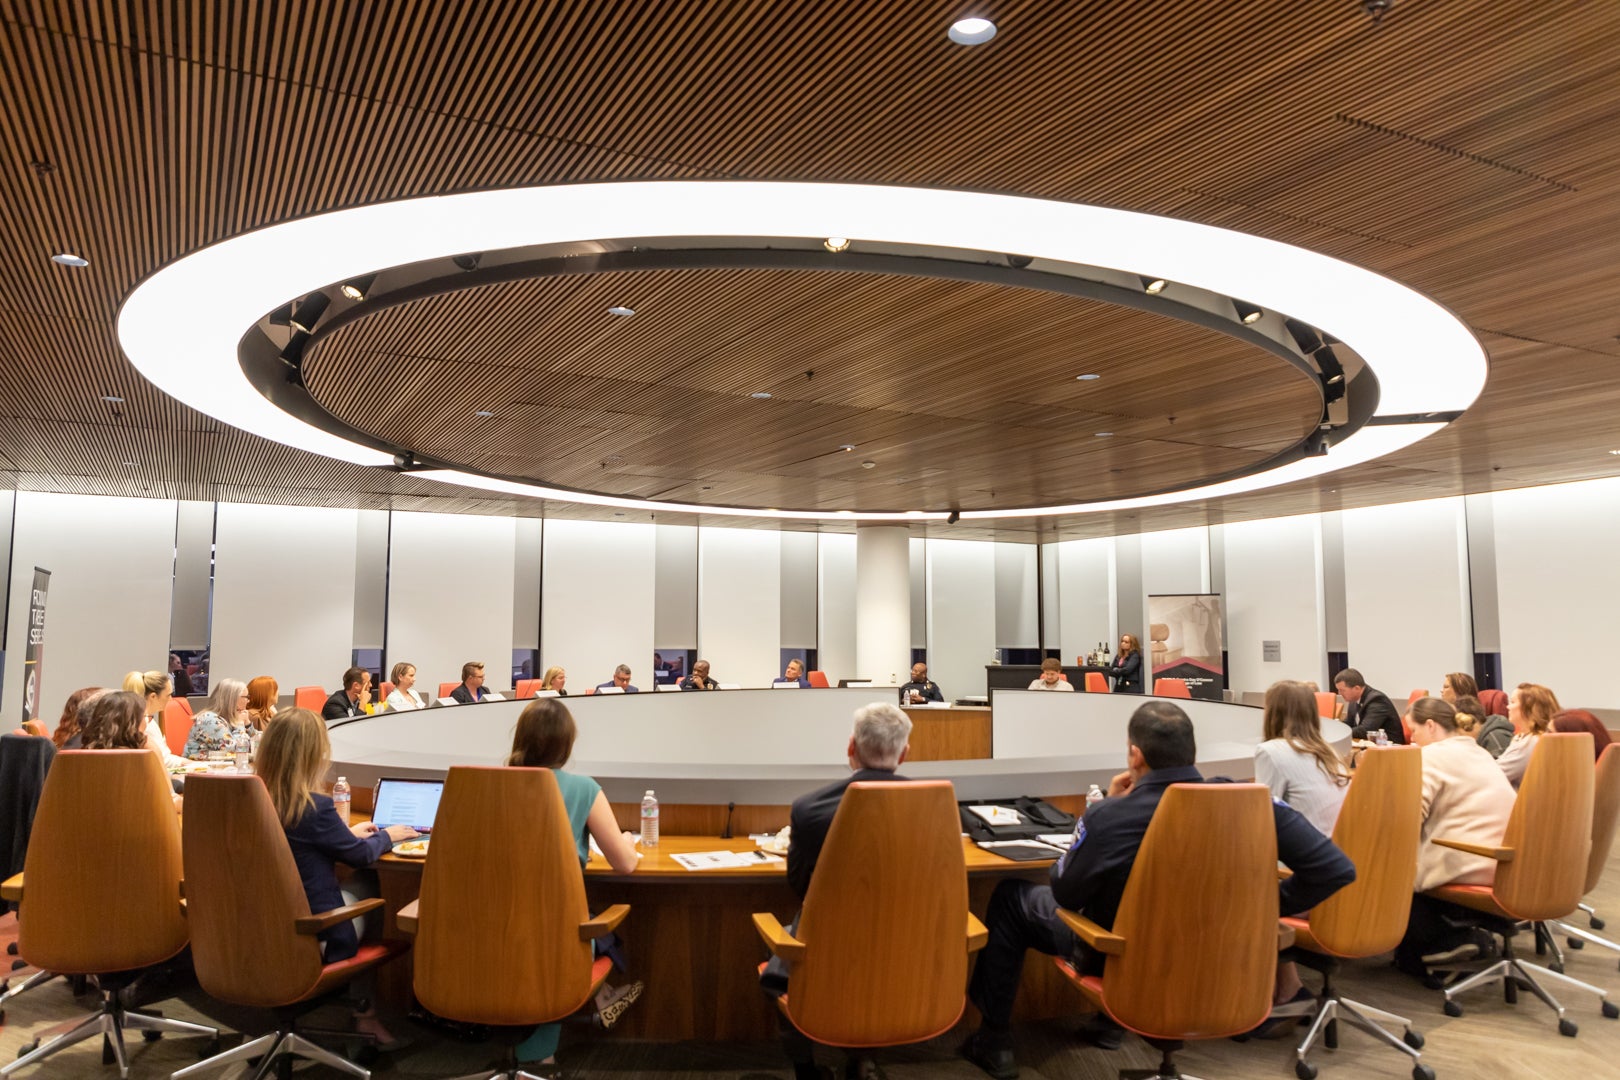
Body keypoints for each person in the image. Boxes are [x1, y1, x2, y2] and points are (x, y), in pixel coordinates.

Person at [959, 701, 1355, 1080]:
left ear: (1135, 756)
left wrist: (1097, 814)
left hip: (1125, 962)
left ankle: (994, 1040)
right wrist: (1261, 909)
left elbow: (1064, 892)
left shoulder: (1111, 815)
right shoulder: (1252, 803)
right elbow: (1334, 869)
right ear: (1192, 752)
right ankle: (1108, 1025)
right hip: (1222, 955)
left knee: (1013, 898)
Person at [761, 702, 913, 1080]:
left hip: (828, 953)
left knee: (783, 950)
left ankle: (806, 1069)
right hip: (910, 953)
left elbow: (799, 887)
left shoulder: (809, 809)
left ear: (851, 748)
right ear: (905, 753)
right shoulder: (937, 805)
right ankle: (861, 1060)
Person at [257, 708, 414, 1049]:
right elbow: (360, 856)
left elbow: (318, 841)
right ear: (314, 755)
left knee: (355, 882)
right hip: (305, 930)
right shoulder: (314, 807)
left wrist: (345, 833)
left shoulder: (252, 801)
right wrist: (387, 836)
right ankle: (365, 1013)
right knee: (369, 886)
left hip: (253, 927)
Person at [505, 698, 642, 1064]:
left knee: (541, 935)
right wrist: (626, 842)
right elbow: (625, 864)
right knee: (574, 935)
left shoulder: (490, 785)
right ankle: (539, 1060)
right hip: (552, 939)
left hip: (489, 930)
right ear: (565, 745)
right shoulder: (583, 788)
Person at [1393, 697, 1516, 977]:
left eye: (1414, 731)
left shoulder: (1431, 757)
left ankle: (1436, 943)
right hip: (1506, 862)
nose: (1412, 739)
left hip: (1470, 862)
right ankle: (1451, 940)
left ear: (1432, 726)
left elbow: (1408, 819)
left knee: (1386, 867)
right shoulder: (1478, 752)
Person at [1254, 680, 1350, 837]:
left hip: (1301, 855)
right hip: (1336, 849)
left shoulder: (1270, 751)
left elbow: (1264, 819)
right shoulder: (1330, 752)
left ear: (1272, 713)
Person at [79, 690, 183, 812]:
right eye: (145, 717)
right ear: (133, 723)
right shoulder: (146, 751)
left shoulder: (80, 754)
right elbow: (170, 802)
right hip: (144, 826)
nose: (147, 722)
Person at [1496, 682, 1559, 787]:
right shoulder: (1524, 738)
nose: (1508, 707)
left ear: (1530, 708)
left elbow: (1493, 775)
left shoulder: (1531, 743)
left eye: (1512, 702)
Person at [124, 669, 186, 767]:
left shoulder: (147, 721)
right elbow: (163, 760)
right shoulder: (144, 723)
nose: (171, 699)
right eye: (168, 695)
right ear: (153, 696)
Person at [1334, 668, 1404, 745]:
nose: (1339, 693)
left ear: (1357, 688)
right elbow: (1349, 722)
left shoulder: (1377, 700)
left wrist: (1341, 732)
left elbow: (1366, 730)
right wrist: (1336, 728)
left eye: (1342, 690)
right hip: (1371, 745)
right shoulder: (1353, 700)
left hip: (1390, 748)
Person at [182, 678, 248, 759]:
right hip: (200, 768)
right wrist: (239, 723)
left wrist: (247, 724)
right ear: (232, 699)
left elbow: (254, 744)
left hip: (218, 767)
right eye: (246, 697)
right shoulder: (209, 720)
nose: (248, 701)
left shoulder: (229, 717)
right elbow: (236, 750)